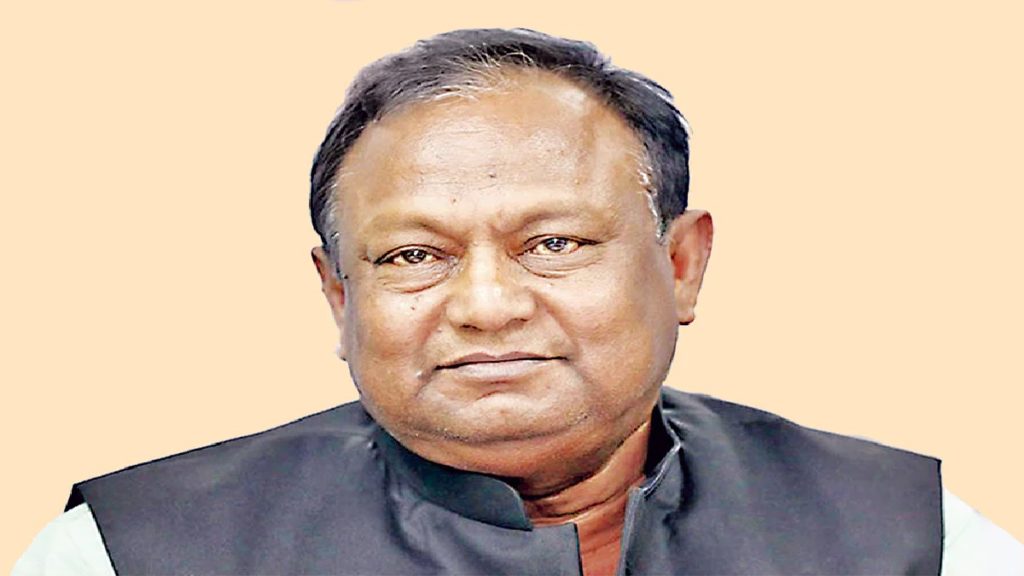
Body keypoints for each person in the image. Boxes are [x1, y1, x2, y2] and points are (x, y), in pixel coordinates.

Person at [14, 28, 1022, 576]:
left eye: (554, 244)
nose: (487, 305)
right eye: (414, 255)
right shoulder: (133, 554)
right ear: (337, 295)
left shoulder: (909, 539)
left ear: (681, 265)